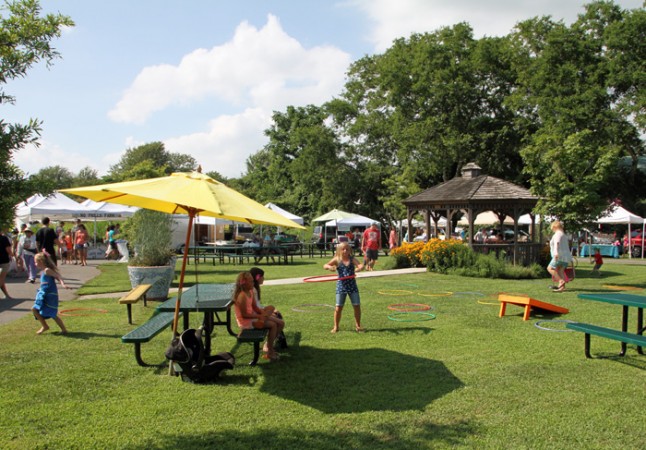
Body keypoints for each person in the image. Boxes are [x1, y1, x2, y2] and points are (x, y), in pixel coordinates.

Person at [232, 271, 280, 361]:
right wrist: (259, 316)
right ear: (244, 283)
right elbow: (244, 315)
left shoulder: (250, 291)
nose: (253, 283)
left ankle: (262, 321)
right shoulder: (241, 296)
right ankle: (270, 352)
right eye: (251, 282)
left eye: (253, 281)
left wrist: (261, 313)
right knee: (273, 325)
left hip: (254, 317)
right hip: (246, 322)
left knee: (271, 308)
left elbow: (254, 307)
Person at [323, 241, 365, 333]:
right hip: (341, 286)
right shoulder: (337, 259)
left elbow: (359, 265)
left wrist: (361, 267)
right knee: (338, 307)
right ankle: (336, 327)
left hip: (352, 285)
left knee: (357, 305)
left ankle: (358, 326)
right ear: (339, 250)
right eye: (343, 249)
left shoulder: (352, 259)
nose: (345, 251)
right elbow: (325, 265)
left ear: (350, 250)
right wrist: (329, 267)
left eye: (347, 249)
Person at [249, 266, 287, 350]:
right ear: (258, 277)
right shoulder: (252, 290)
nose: (264, 278)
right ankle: (269, 346)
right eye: (262, 276)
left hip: (258, 315)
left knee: (277, 316)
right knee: (280, 323)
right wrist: (267, 312)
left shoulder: (255, 288)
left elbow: (257, 305)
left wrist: (269, 310)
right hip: (255, 318)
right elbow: (255, 309)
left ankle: (269, 344)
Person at [32, 252, 69, 334]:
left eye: (35, 261)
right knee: (35, 309)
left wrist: (63, 284)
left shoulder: (47, 270)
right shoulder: (43, 271)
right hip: (43, 294)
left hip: (50, 296)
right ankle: (45, 326)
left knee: (52, 313)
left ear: (41, 261)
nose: (35, 263)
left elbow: (58, 276)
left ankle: (64, 330)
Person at [547, 220, 572, 292]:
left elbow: (557, 243)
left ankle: (561, 281)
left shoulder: (558, 234)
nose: (552, 230)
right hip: (566, 256)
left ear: (555, 227)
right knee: (561, 271)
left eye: (552, 229)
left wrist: (556, 252)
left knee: (550, 268)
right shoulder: (563, 235)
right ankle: (561, 288)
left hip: (559, 255)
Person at [0, 228, 14, 299]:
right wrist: (12, 255)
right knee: (1, 279)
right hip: (4, 260)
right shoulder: (4, 238)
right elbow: (8, 249)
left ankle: (6, 295)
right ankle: (7, 295)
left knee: (1, 279)